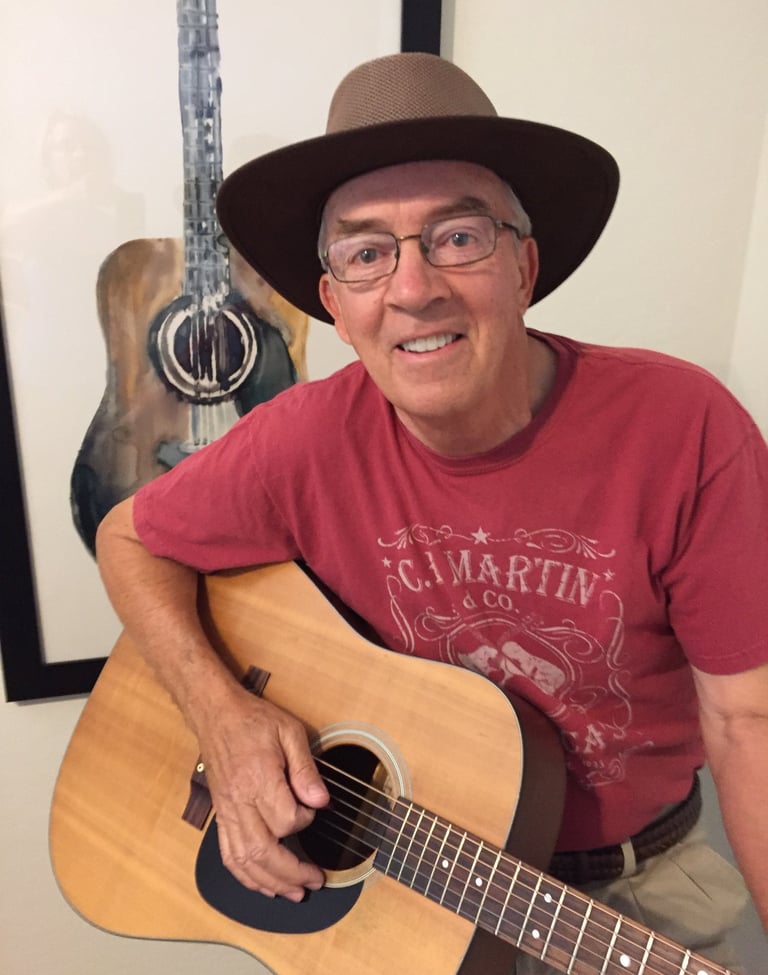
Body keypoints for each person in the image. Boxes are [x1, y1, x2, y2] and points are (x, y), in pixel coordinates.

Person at [96, 52, 768, 973]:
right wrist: (222, 715)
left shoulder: (684, 428)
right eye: (367, 253)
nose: (413, 289)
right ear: (336, 306)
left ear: (525, 265)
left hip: (634, 888)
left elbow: (748, 723)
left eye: (458, 236)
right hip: (404, 889)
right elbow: (128, 538)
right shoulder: (301, 439)